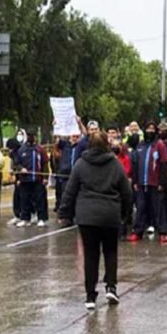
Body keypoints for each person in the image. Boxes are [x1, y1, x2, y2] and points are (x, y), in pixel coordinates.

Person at [59, 131, 132, 310]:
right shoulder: (115, 163)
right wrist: (126, 215)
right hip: (110, 214)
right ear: (107, 144)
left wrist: (64, 212)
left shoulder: (81, 164)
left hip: (87, 216)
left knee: (90, 255)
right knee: (110, 251)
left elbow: (70, 191)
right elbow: (126, 192)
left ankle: (90, 295)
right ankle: (111, 287)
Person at [129, 121, 167, 243]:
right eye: (148, 129)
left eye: (153, 129)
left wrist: (162, 183)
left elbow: (164, 164)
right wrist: (135, 181)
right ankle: (138, 232)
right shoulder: (140, 146)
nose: (150, 131)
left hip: (155, 183)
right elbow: (135, 164)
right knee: (140, 208)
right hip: (141, 183)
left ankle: (163, 232)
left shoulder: (159, 145)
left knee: (158, 209)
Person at [15, 132, 49, 227]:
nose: (31, 137)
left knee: (40, 200)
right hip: (25, 180)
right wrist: (21, 169)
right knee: (24, 200)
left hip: (38, 180)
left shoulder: (40, 149)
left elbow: (45, 163)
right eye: (29, 136)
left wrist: (46, 177)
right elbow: (16, 163)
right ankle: (25, 218)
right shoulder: (21, 150)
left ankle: (41, 218)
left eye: (32, 136)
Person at [55, 133, 82, 213]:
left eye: (77, 137)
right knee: (66, 196)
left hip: (77, 176)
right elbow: (57, 139)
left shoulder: (81, 147)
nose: (75, 138)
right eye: (73, 136)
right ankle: (66, 215)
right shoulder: (65, 145)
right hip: (65, 176)